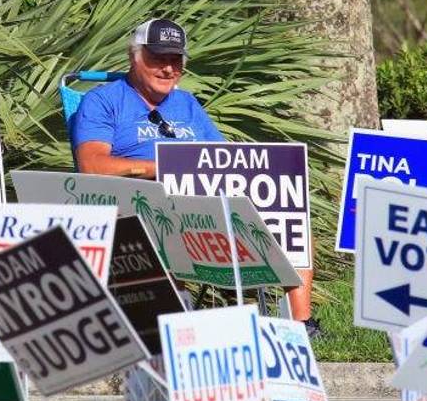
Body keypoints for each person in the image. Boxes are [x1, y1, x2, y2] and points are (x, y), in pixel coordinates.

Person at [70, 18, 318, 335]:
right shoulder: (103, 101)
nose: (168, 69)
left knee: (291, 219)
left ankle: (301, 327)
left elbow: (224, 161)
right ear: (134, 56)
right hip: (145, 205)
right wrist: (164, 168)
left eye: (176, 60)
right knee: (159, 225)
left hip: (205, 205)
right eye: (158, 58)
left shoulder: (186, 104)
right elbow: (92, 166)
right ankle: (178, 326)